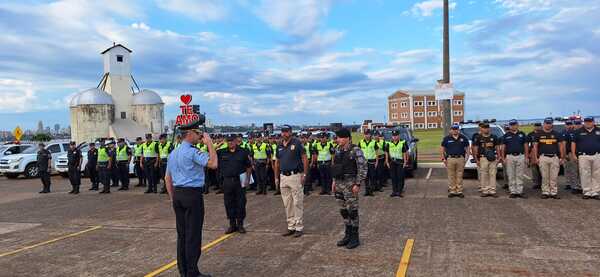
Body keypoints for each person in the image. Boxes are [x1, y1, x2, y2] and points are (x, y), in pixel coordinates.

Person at [165, 121, 217, 277]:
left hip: (178, 195)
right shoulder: (193, 152)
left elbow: (167, 178)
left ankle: (184, 271)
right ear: (190, 134)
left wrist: (172, 199)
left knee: (182, 235)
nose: (199, 136)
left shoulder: (173, 153)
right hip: (192, 195)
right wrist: (209, 144)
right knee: (193, 234)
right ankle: (192, 272)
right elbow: (213, 164)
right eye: (197, 133)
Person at [332, 128, 367, 249]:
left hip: (350, 184)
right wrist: (334, 182)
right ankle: (347, 235)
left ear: (347, 138)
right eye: (337, 137)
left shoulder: (355, 150)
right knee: (343, 211)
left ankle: (354, 237)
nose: (338, 140)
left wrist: (358, 184)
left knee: (352, 211)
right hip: (339, 184)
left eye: (340, 137)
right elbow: (335, 166)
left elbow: (363, 168)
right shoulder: (337, 150)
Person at [275, 125, 308, 238]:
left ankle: (299, 227)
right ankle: (291, 226)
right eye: (282, 132)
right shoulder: (279, 145)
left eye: (286, 132)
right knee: (287, 203)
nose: (284, 134)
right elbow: (277, 162)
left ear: (291, 132)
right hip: (283, 176)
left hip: (295, 175)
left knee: (297, 202)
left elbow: (304, 158)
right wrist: (276, 177)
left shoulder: (297, 143)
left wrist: (304, 174)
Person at [218, 134, 252, 234]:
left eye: (232, 141)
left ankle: (240, 224)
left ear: (236, 141)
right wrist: (219, 144)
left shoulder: (243, 151)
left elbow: (249, 166)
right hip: (227, 181)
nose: (230, 143)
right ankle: (232, 225)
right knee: (229, 203)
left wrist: (248, 179)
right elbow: (208, 152)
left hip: (240, 181)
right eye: (228, 141)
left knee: (241, 203)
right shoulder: (221, 152)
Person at [532, 117, 565, 199]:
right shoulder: (538, 134)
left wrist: (562, 157)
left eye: (549, 123)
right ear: (544, 124)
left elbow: (561, 146)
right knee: (545, 176)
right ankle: (545, 192)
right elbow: (535, 146)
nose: (548, 125)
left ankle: (553, 192)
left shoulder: (557, 134)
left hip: (554, 157)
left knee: (554, 177)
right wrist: (536, 157)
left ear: (552, 124)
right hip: (543, 157)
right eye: (546, 123)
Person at [571, 117, 600, 200]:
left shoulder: (598, 130)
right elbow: (573, 143)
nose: (588, 123)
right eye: (586, 122)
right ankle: (586, 192)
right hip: (583, 156)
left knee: (597, 174)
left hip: (597, 155)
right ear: (584, 123)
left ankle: (595, 192)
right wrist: (573, 154)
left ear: (593, 122)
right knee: (584, 174)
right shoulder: (578, 131)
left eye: (590, 122)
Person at [500, 120, 529, 198]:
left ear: (517, 125)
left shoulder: (522, 134)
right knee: (511, 174)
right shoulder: (506, 135)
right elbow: (503, 148)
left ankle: (519, 191)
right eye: (511, 125)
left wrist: (526, 157)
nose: (513, 126)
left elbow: (526, 146)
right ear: (509, 126)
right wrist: (503, 158)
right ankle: (512, 191)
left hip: (520, 156)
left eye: (514, 125)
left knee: (519, 174)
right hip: (510, 157)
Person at [441, 124, 470, 198]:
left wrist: (466, 158)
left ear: (458, 130)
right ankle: (452, 191)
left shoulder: (463, 138)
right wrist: (443, 158)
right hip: (450, 159)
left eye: (456, 129)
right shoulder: (447, 138)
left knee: (459, 175)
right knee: (451, 175)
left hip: (460, 158)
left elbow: (467, 148)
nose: (455, 130)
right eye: (453, 129)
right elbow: (442, 149)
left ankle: (459, 191)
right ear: (451, 130)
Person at [472, 123, 501, 197]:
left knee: (492, 174)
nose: (486, 129)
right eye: (484, 128)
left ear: (489, 129)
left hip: (492, 158)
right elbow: (475, 149)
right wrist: (476, 159)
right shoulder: (478, 137)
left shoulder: (494, 137)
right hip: (483, 158)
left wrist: (499, 156)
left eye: (487, 128)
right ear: (482, 129)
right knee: (484, 175)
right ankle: (485, 190)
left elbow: (497, 147)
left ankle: (492, 190)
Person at [358, 129, 378, 196]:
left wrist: (376, 162)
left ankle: (371, 191)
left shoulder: (374, 142)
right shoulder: (360, 142)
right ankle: (367, 191)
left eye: (368, 134)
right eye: (365, 134)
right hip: (364, 162)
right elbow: (359, 153)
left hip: (372, 162)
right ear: (364, 135)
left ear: (370, 135)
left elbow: (376, 153)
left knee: (372, 176)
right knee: (365, 177)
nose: (366, 135)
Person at [527, 123, 543, 190]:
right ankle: (536, 183)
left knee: (542, 169)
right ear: (534, 127)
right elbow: (527, 144)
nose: (537, 127)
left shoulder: (543, 133)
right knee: (534, 169)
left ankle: (542, 183)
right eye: (536, 126)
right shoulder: (530, 134)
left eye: (539, 126)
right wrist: (528, 154)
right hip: (532, 153)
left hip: (541, 152)